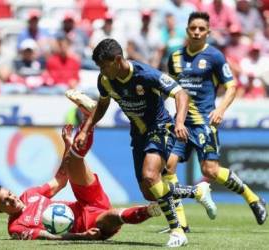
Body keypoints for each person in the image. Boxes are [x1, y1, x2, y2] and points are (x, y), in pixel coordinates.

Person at [70, 38, 217, 247]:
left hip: (160, 128)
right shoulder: (105, 80)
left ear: (117, 60)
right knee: (150, 192)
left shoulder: (146, 74)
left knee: (150, 176)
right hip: (138, 135)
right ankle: (197, 191)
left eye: (104, 65)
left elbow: (181, 94)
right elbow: (102, 105)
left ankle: (178, 231)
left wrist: (180, 122)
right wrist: (86, 129)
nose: (101, 70)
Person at [166, 11, 268, 228]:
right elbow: (174, 91)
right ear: (187, 30)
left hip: (204, 122)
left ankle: (253, 198)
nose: (196, 32)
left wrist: (220, 109)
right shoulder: (175, 58)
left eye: (201, 29)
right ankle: (181, 224)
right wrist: (176, 120)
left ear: (208, 33)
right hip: (181, 123)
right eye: (193, 28)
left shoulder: (214, 57)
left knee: (210, 170)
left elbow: (232, 86)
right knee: (169, 166)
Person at [0, 121, 164, 241]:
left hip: (85, 202)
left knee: (75, 161)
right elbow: (47, 235)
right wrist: (82, 236)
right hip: (87, 224)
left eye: (9, 194)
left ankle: (89, 120)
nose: (11, 199)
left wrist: (67, 145)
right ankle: (151, 209)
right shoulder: (16, 228)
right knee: (113, 216)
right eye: (5, 202)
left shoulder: (29, 194)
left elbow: (60, 180)